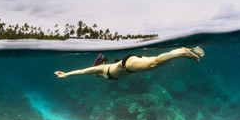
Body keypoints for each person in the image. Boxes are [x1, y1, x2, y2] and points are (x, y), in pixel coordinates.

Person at [55, 46, 204, 80]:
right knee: (157, 61)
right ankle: (183, 49)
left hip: (127, 65)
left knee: (155, 63)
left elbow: (82, 71)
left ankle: (183, 53)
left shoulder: (98, 69)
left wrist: (66, 74)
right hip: (130, 62)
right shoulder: (103, 67)